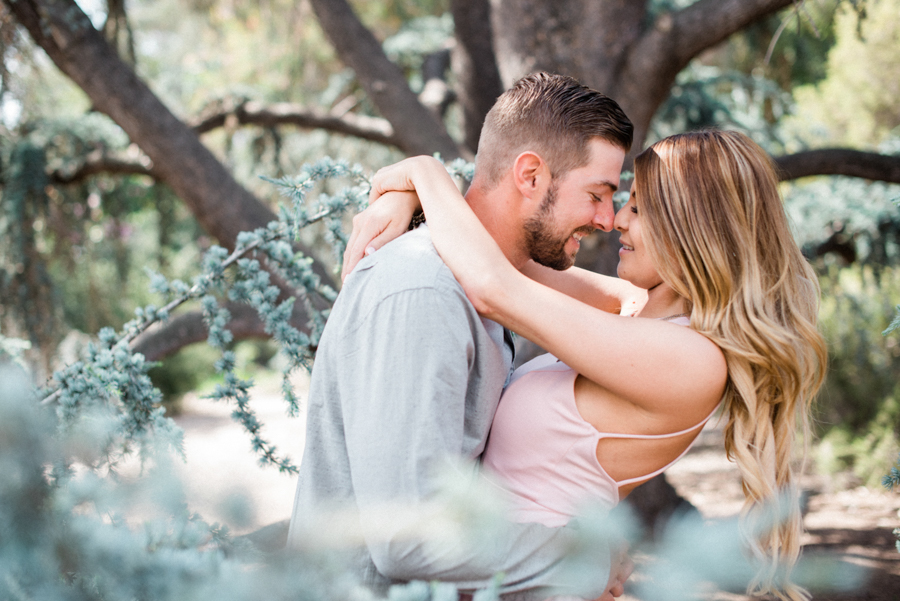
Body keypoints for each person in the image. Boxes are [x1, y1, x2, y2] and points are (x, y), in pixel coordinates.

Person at [347, 129, 827, 601]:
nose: (617, 219)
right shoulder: (634, 308)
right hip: (504, 571)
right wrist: (404, 201)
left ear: (692, 225)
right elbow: (500, 253)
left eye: (639, 208)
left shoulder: (690, 359)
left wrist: (423, 171)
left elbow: (492, 287)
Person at [286, 72, 638, 600]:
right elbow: (406, 533)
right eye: (596, 194)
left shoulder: (482, 280)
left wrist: (417, 183)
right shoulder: (424, 290)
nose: (608, 220)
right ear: (530, 175)